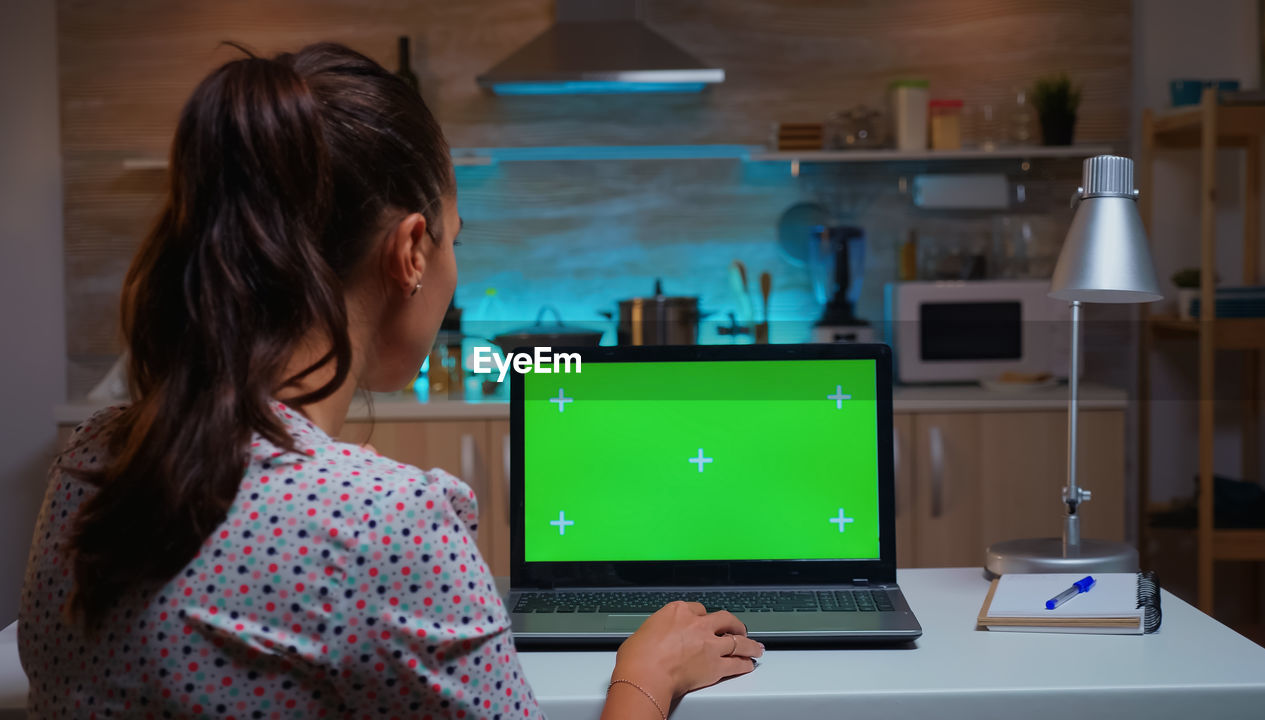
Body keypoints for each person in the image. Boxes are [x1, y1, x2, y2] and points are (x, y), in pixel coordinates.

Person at [18, 43, 762, 719]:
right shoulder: (384, 525)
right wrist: (646, 676)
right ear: (411, 250)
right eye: (454, 239)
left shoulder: (86, 470)